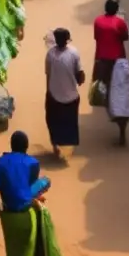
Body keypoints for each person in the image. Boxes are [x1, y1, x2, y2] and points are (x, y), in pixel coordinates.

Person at [0, 131, 63, 256]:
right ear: (26, 147)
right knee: (46, 180)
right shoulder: (32, 162)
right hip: (26, 205)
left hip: (9, 208)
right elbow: (30, 183)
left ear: (11, 145)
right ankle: (36, 198)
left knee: (13, 248)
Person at [44, 28, 84, 160]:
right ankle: (67, 146)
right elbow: (80, 75)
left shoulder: (50, 54)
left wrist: (48, 91)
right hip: (71, 96)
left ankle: (55, 146)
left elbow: (48, 75)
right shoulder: (74, 53)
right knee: (70, 123)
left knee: (53, 122)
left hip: (54, 95)